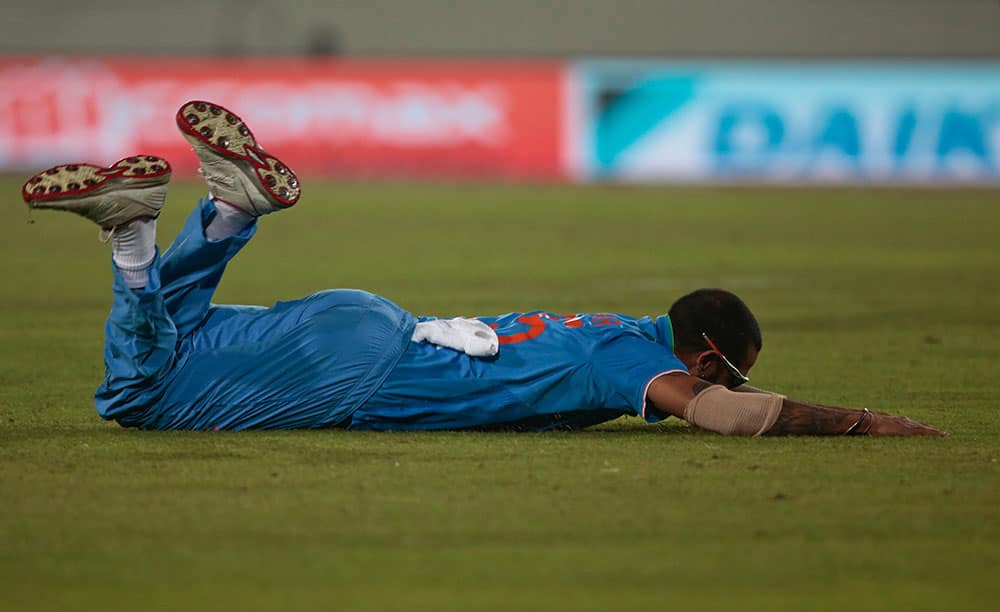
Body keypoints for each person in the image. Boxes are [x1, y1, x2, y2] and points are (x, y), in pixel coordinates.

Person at [22, 100, 944, 437]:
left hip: (367, 325)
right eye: (721, 367)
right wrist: (864, 423)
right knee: (138, 398)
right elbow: (725, 414)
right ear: (703, 355)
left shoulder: (609, 325)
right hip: (356, 368)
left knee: (168, 342)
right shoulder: (628, 363)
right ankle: (146, 237)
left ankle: (219, 213)